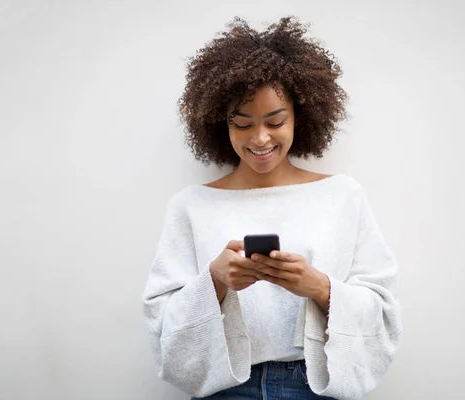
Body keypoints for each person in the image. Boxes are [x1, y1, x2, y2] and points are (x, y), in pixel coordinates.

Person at [142, 16, 402, 400]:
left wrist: (318, 287)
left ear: (301, 115)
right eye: (242, 124)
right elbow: (160, 319)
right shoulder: (191, 206)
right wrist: (215, 281)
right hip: (226, 386)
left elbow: (383, 310)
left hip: (315, 384)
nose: (260, 138)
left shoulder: (343, 196)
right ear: (221, 124)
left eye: (275, 120)